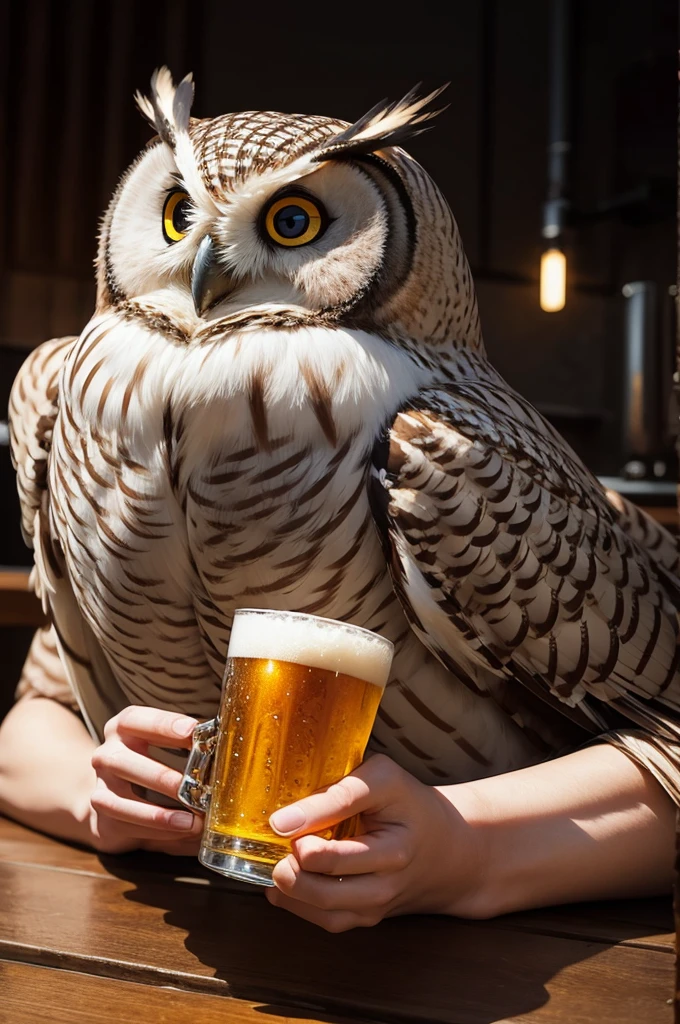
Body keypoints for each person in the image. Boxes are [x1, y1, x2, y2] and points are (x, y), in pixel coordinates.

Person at [0, 624, 675, 934]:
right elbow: (34, 712)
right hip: (178, 944)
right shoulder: (128, 466)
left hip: (473, 975)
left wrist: (464, 848)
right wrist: (97, 797)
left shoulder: (445, 464)